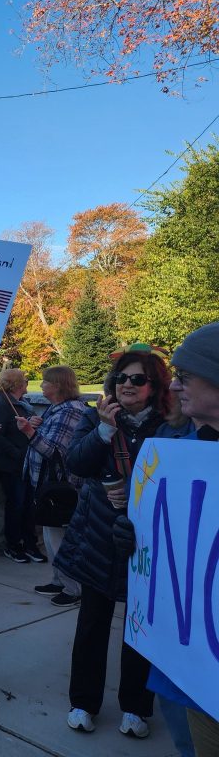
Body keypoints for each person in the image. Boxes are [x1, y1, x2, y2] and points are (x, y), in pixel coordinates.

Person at [53, 346, 172, 737]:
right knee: (92, 624)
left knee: (139, 627)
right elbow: (76, 463)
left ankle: (136, 707)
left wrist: (137, 495)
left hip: (146, 541)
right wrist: (104, 430)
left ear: (154, 386)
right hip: (98, 535)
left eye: (137, 379)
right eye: (121, 378)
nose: (127, 385)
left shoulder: (168, 425)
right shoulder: (95, 416)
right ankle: (83, 702)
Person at [148, 323, 219, 755]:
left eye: (186, 375)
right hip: (190, 656)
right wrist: (141, 536)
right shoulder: (187, 449)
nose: (173, 385)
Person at [15, 365, 85, 606]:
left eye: (45, 381)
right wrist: (37, 425)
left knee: (60, 539)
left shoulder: (69, 411)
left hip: (59, 488)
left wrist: (28, 432)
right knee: (51, 536)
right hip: (47, 487)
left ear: (57, 385)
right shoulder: (58, 408)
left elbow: (54, 450)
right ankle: (58, 580)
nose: (41, 385)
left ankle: (73, 588)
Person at [0, 369, 38, 563]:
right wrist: (15, 452)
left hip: (26, 463)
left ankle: (30, 544)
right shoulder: (2, 405)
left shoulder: (23, 405)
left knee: (28, 505)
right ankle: (14, 545)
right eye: (25, 380)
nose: (27, 382)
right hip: (11, 465)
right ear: (17, 384)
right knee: (16, 505)